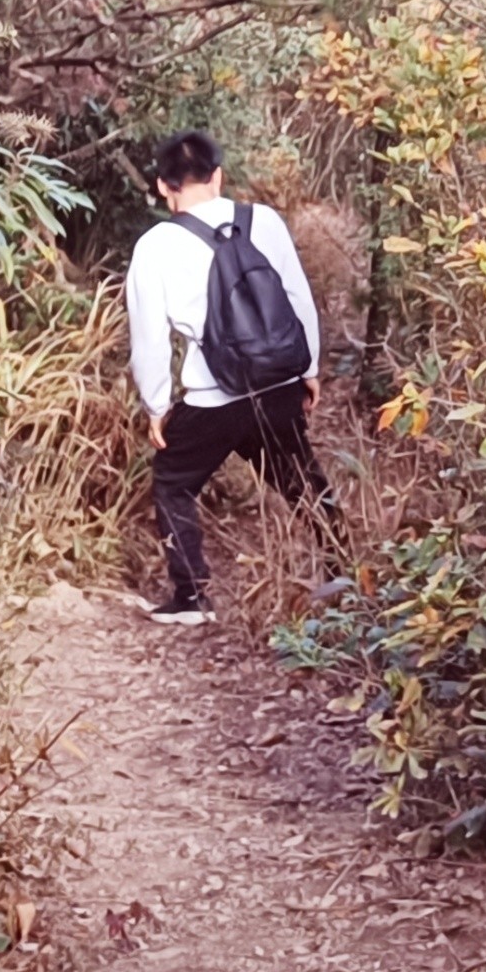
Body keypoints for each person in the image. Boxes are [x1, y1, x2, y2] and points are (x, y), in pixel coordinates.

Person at [122, 130, 325, 624]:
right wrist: (310, 370)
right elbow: (299, 300)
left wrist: (157, 405)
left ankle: (192, 598)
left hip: (213, 399)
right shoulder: (265, 222)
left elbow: (148, 337)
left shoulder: (156, 245)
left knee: (173, 483)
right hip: (277, 387)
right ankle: (349, 574)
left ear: (162, 186)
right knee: (303, 484)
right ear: (218, 176)